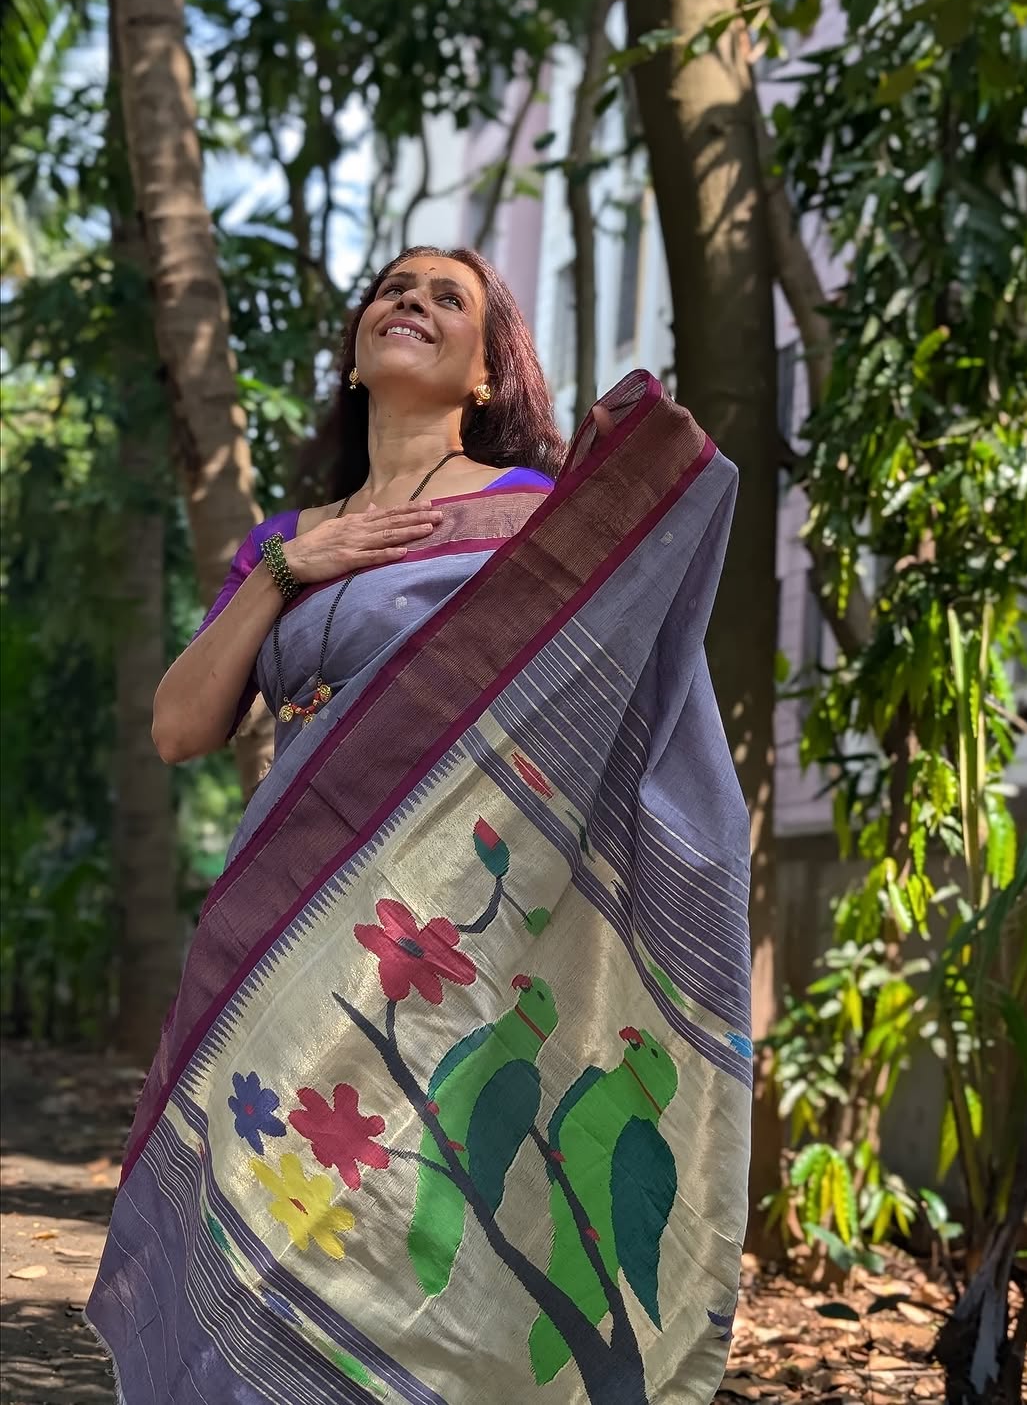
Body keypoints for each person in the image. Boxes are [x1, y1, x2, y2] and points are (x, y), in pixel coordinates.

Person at [87, 247, 752, 1405]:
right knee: (265, 1175)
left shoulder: (529, 523)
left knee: (402, 1193)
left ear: (488, 376)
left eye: (450, 299)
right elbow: (179, 726)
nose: (412, 303)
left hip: (444, 928)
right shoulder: (286, 539)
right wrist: (288, 566)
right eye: (394, 289)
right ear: (356, 352)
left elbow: (607, 703)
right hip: (287, 914)